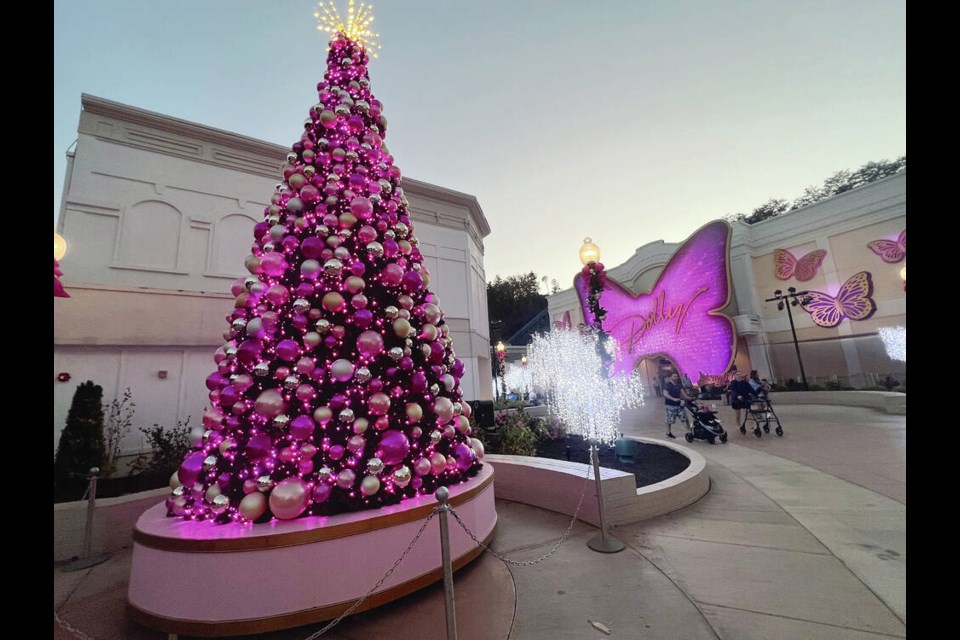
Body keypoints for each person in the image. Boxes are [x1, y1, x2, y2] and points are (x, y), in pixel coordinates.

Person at [662, 371, 691, 439]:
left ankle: (689, 432)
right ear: (670, 377)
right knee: (670, 420)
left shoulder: (678, 384)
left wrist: (688, 398)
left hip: (679, 405)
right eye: (674, 376)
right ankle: (668, 433)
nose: (676, 378)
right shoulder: (667, 385)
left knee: (685, 419)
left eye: (676, 376)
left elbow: (683, 393)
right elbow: (665, 394)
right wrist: (673, 399)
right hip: (670, 405)